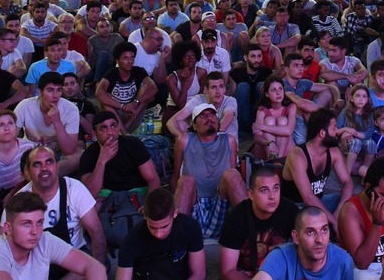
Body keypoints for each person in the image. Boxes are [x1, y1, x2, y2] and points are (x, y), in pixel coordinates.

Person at [0, 191, 106, 280]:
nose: (35, 231)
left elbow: (96, 268)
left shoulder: (44, 240)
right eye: (26, 224)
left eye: (39, 223)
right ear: (8, 228)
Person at [173, 102, 247, 240]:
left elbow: (232, 178)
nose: (209, 118)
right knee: (185, 180)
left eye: (212, 114)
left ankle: (250, 236)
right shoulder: (184, 140)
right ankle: (176, 241)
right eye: (203, 115)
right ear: (194, 125)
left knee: (232, 174)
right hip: (194, 204)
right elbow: (175, 175)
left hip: (219, 204)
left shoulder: (229, 140)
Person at [218, 166, 296, 280]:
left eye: (276, 188)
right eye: (264, 190)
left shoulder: (289, 209)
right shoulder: (236, 218)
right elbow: (228, 271)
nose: (272, 196)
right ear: (251, 195)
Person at [282, 108, 354, 229]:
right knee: (312, 220)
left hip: (319, 202)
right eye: (334, 127)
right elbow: (308, 197)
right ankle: (329, 228)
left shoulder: (333, 152)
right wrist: (334, 222)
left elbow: (347, 182)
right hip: (297, 207)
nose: (337, 131)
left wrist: (338, 212)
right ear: (322, 133)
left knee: (350, 204)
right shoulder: (298, 155)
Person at [115, 187, 204, 280]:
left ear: (175, 213)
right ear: (144, 215)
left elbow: (198, 274)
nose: (158, 234)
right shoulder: (131, 240)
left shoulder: (190, 227)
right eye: (152, 227)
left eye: (164, 226)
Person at [251, 206, 355, 280]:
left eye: (324, 230)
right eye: (310, 232)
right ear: (296, 237)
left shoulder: (343, 261)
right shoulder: (281, 257)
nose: (319, 239)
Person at [77, 110, 161, 196]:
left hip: (138, 193)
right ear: (94, 134)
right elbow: (89, 194)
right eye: (103, 128)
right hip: (110, 197)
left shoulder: (133, 144)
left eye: (113, 126)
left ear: (118, 128)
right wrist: (102, 161)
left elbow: (153, 179)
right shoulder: (88, 155)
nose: (110, 132)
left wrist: (148, 204)